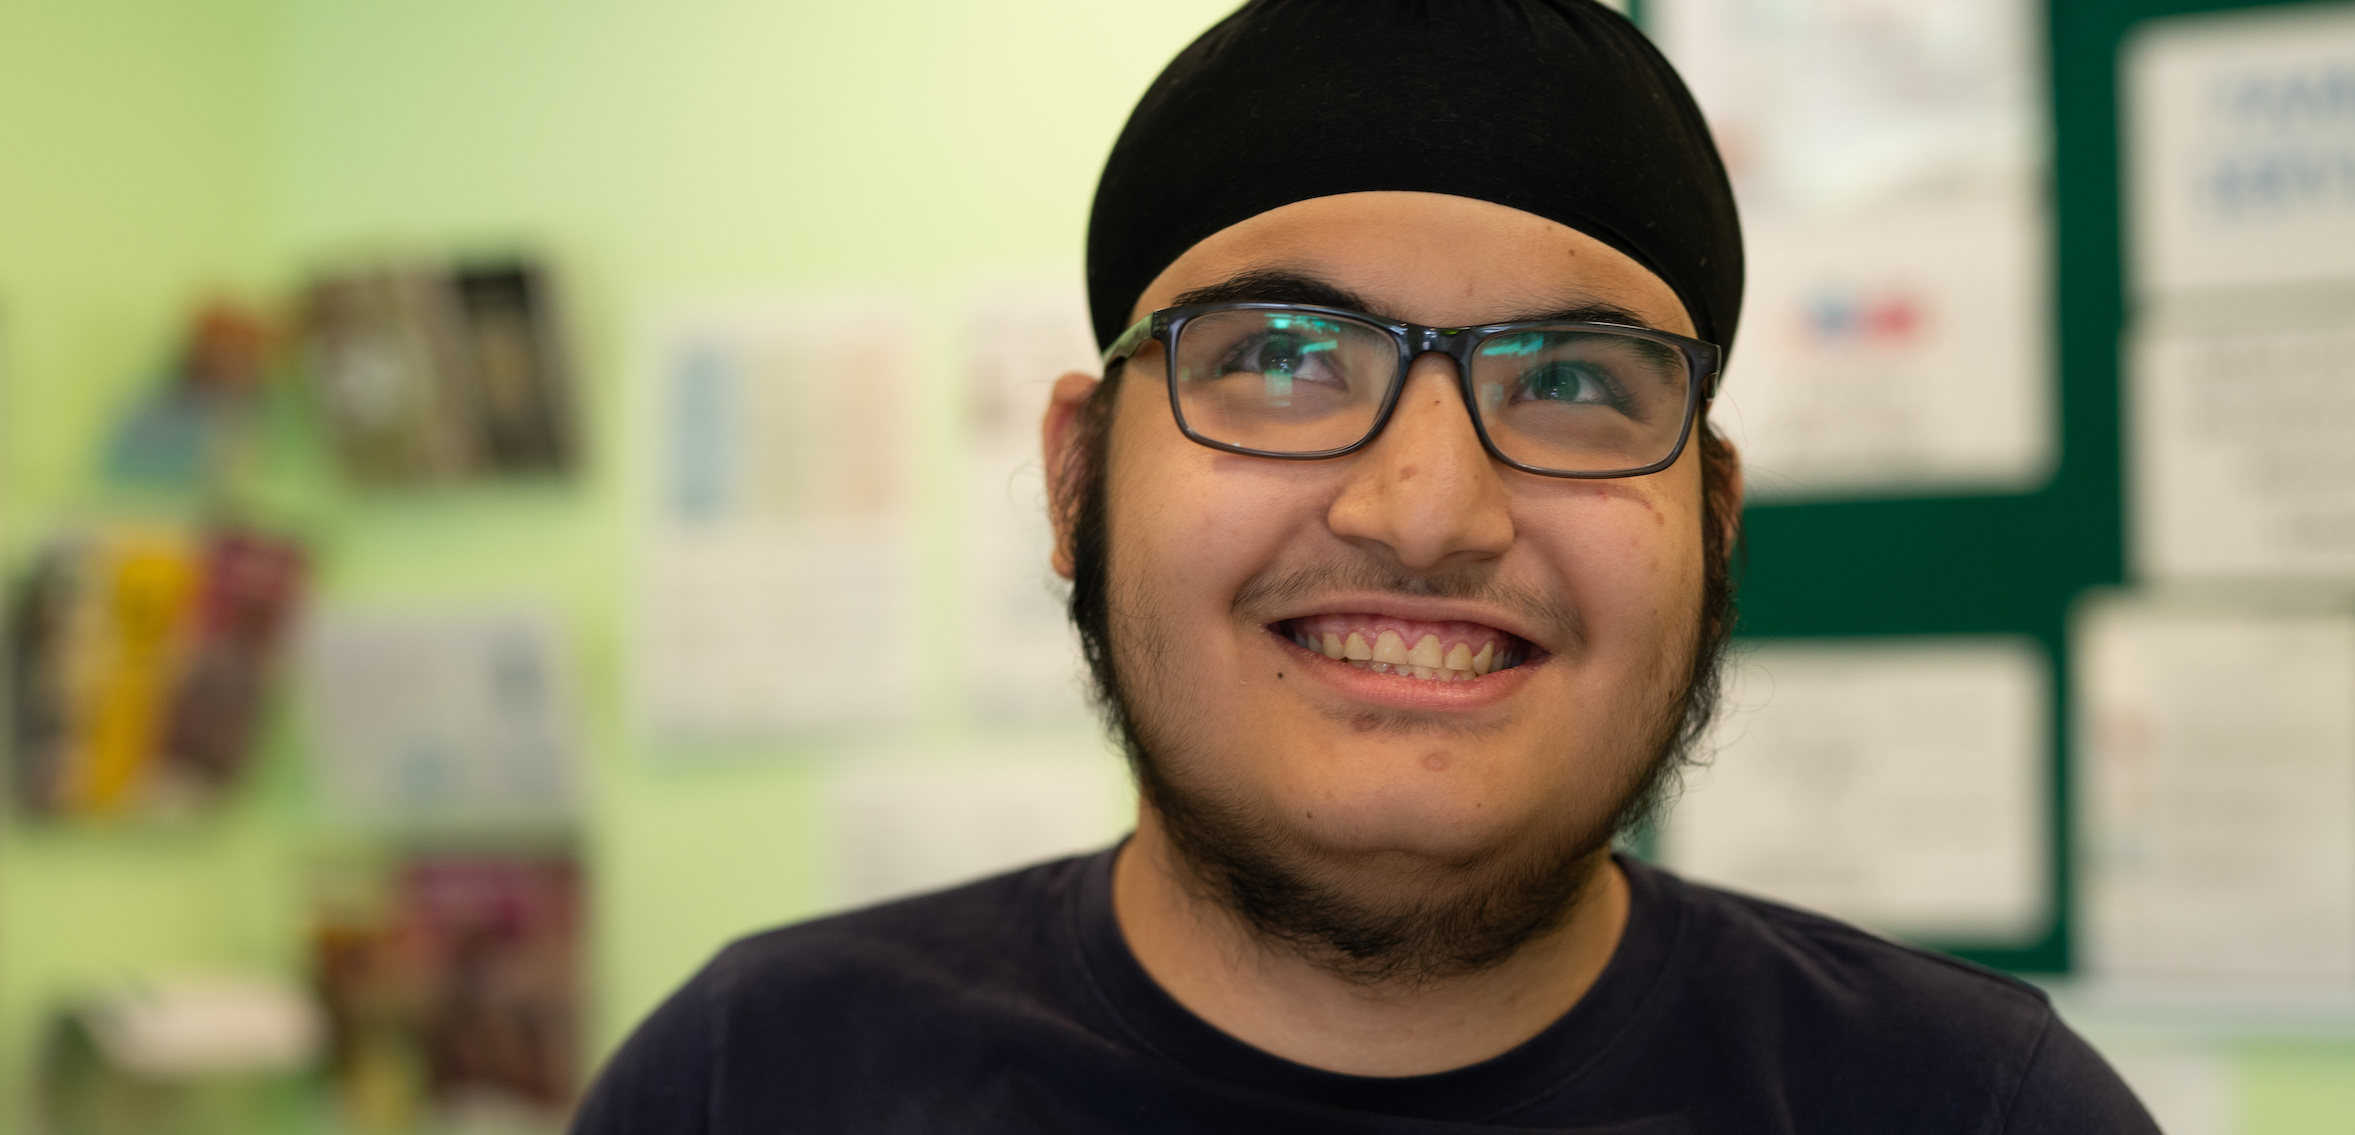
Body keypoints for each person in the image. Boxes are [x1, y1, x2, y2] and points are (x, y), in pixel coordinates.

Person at [572, 1, 2159, 1130]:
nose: (1428, 509)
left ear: (1714, 527)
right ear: (1075, 479)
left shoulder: (1977, 1112)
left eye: (1574, 382)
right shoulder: (752, 1081)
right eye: (1279, 356)